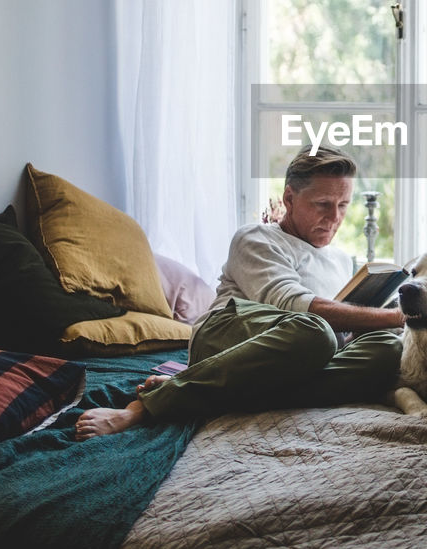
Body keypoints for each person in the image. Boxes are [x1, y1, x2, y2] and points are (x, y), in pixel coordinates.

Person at [75, 147, 404, 438]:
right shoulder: (256, 239)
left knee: (388, 347)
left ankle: (226, 392)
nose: (335, 218)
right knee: (315, 332)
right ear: (289, 198)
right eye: (323, 204)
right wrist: (393, 317)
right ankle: (145, 407)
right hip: (225, 335)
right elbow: (296, 306)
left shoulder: (341, 259)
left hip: (296, 359)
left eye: (343, 205)